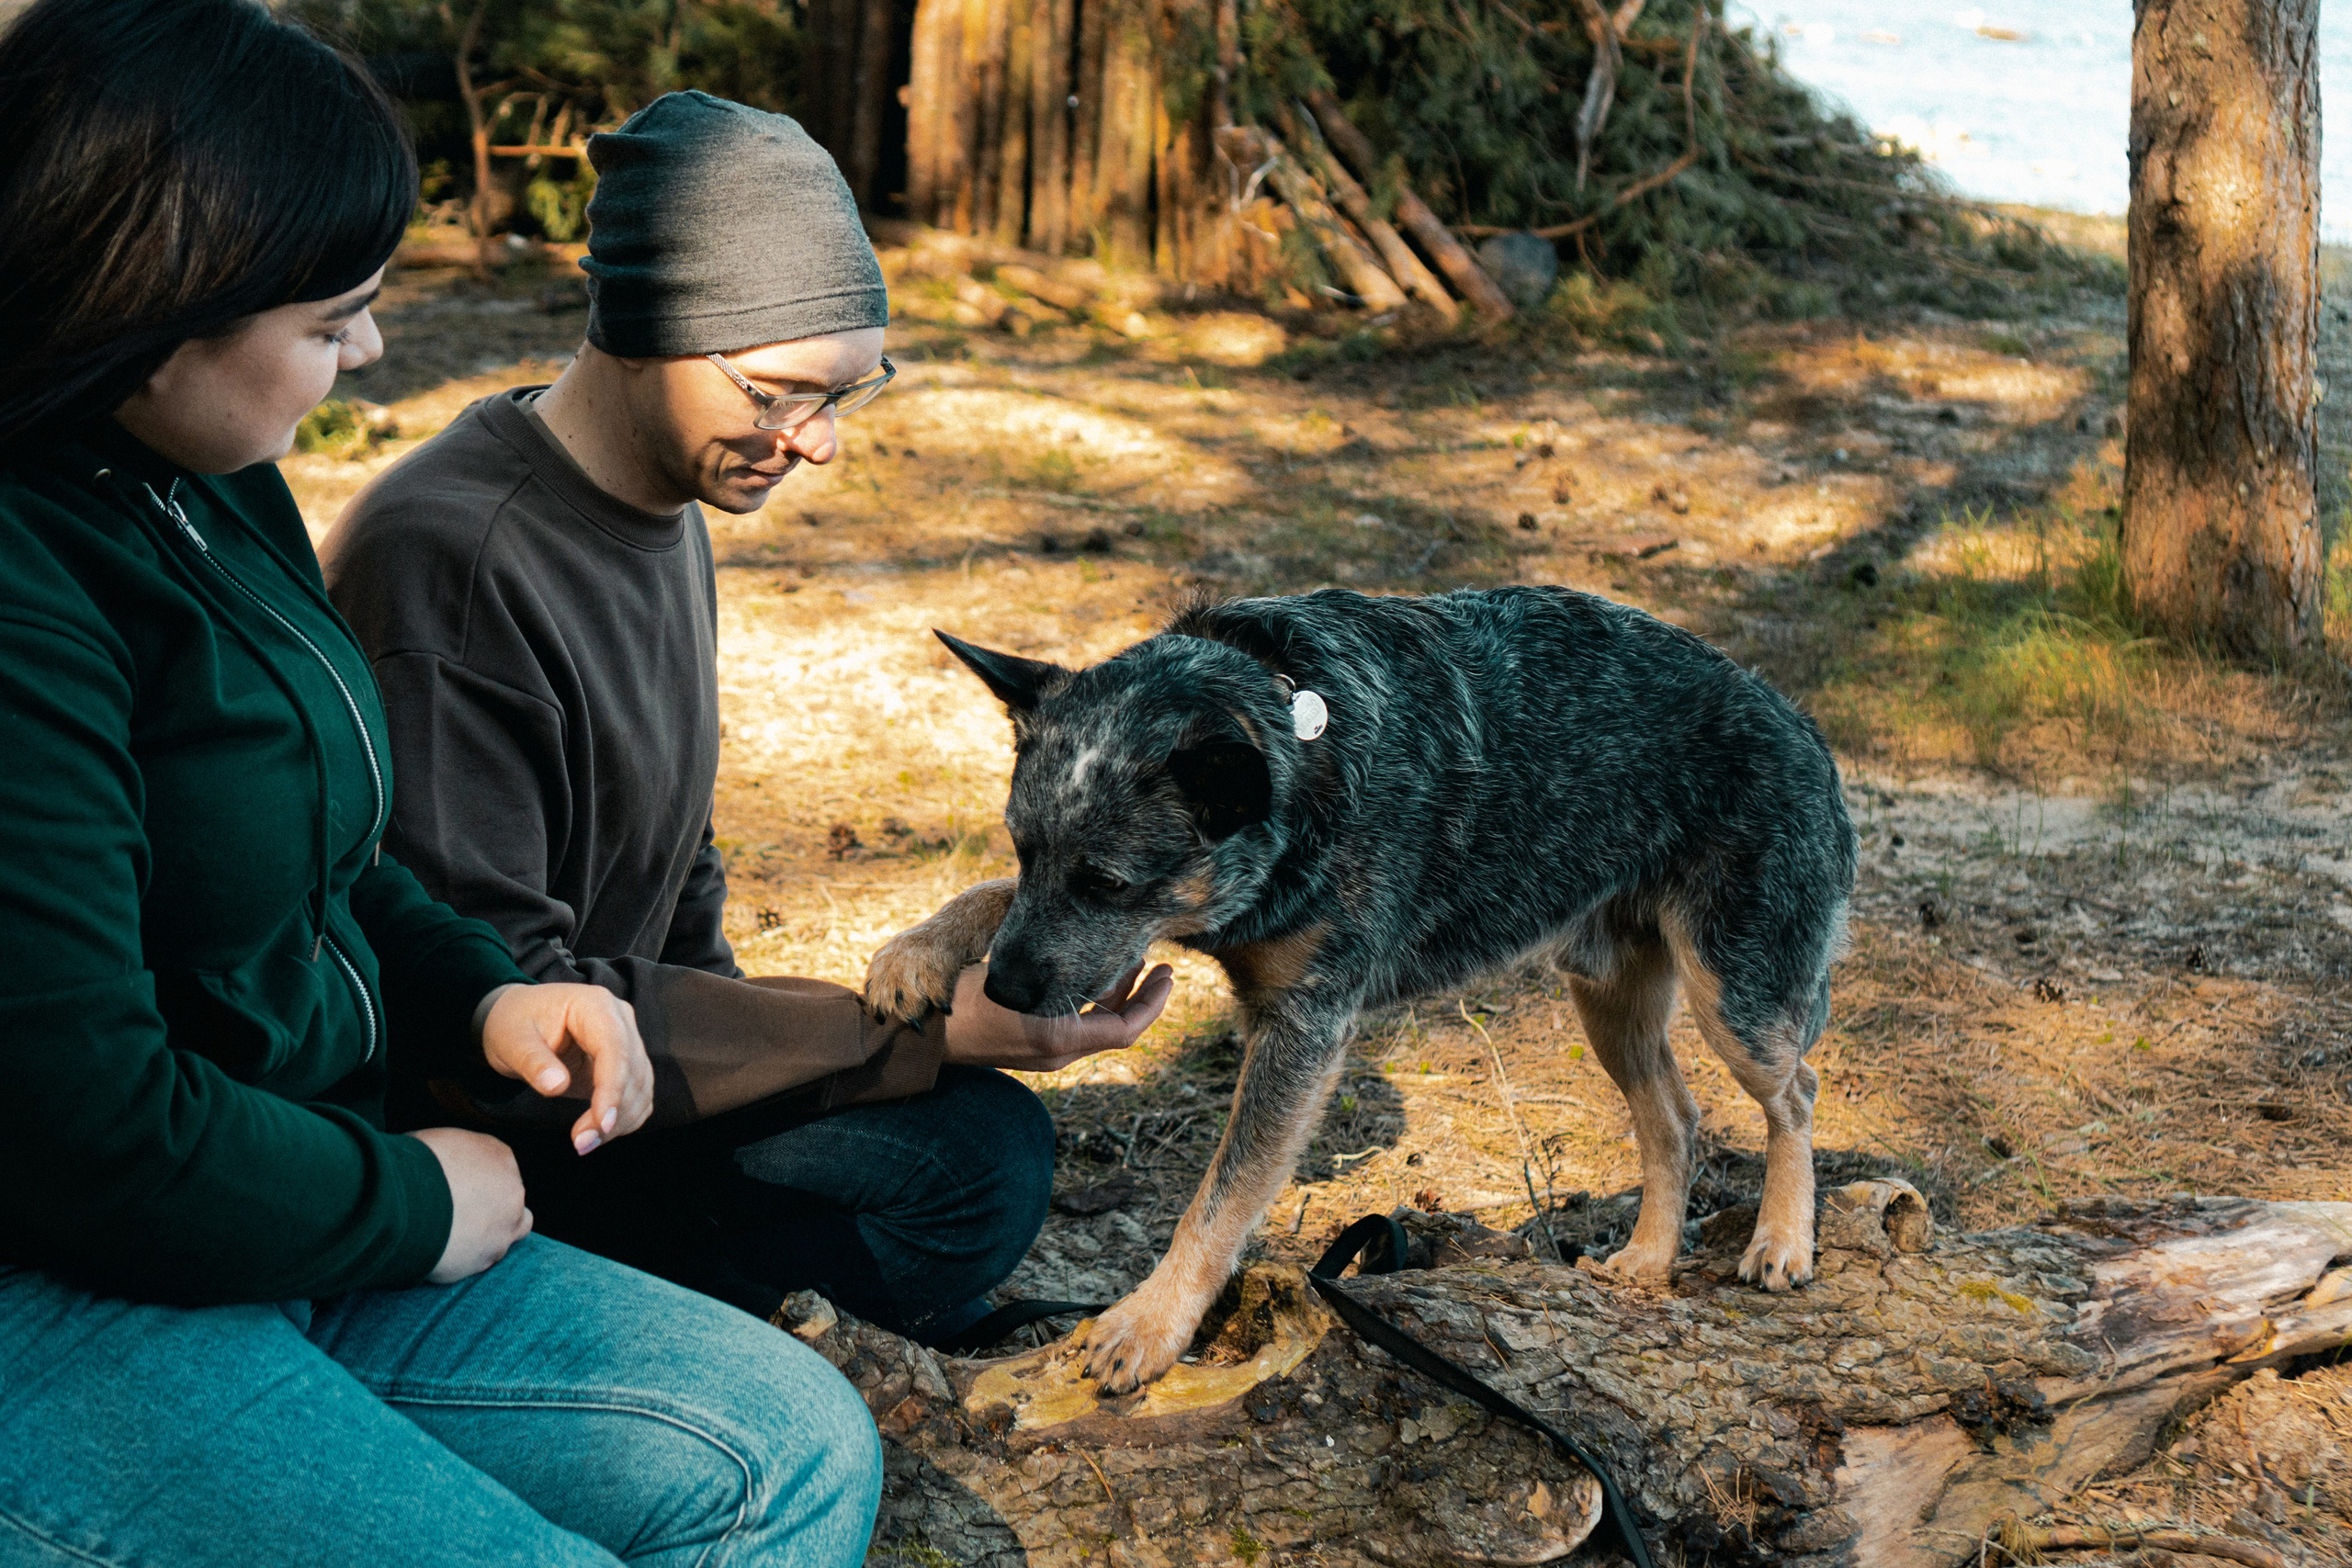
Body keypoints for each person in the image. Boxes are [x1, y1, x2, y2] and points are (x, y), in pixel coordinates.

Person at [0, 4, 879, 1562]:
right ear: (152, 306)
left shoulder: (209, 485)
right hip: (72, 1270)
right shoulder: (28, 586)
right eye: (334, 317)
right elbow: (85, 1131)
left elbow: (334, 858)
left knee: (794, 1452)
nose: (372, 351)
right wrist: (411, 1200)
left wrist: (478, 995)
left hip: (287, 1195)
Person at [323, 91, 1173, 1345]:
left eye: (845, 392)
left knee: (981, 1152)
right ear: (652, 331)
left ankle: (778, 1312)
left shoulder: (666, 503)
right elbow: (493, 1014)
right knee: (964, 1157)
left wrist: (816, 1065)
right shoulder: (453, 560)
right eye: (783, 393)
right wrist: (918, 1033)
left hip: (636, 1076)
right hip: (513, 1128)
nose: (817, 443)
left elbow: (676, 879)